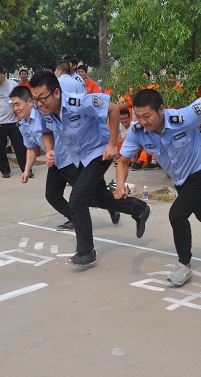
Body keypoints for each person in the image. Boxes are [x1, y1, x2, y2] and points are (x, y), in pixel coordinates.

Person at [114, 88, 201, 286]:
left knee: (177, 214)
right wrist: (120, 184)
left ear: (161, 109)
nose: (142, 122)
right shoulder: (138, 132)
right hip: (181, 179)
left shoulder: (185, 117)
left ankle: (184, 265)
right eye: (138, 116)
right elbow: (123, 162)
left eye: (147, 116)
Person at [30, 71, 150, 267]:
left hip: (98, 151)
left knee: (77, 199)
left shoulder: (80, 102)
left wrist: (112, 144)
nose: (39, 104)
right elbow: (45, 131)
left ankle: (86, 251)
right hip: (78, 157)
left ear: (57, 93)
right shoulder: (42, 111)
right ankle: (138, 208)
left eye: (43, 98)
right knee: (98, 198)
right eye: (35, 100)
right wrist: (50, 150)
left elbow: (112, 109)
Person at [10, 85, 120, 231]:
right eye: (13, 106)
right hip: (55, 162)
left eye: (18, 104)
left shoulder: (45, 113)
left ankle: (113, 206)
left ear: (30, 102)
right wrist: (26, 170)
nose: (16, 109)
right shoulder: (23, 124)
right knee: (52, 196)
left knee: (87, 196)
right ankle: (75, 220)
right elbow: (31, 148)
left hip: (69, 160)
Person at [0, 64, 29, 178]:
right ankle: (5, 171)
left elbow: (20, 100)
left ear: (3, 74)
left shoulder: (12, 85)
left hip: (14, 122)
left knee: (21, 147)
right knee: (0, 149)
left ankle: (26, 169)